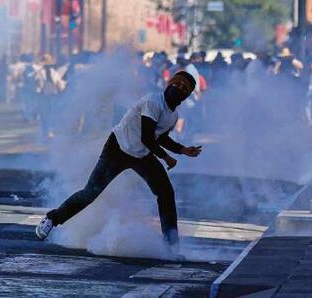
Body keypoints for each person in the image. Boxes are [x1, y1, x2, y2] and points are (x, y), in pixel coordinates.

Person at [35, 65, 203, 253]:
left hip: (141, 154)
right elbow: (146, 137)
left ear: (187, 96)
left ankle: (171, 247)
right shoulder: (153, 101)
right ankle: (52, 219)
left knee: (166, 194)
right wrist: (166, 157)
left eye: (184, 88)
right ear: (168, 84)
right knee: (90, 193)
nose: (179, 88)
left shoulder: (173, 116)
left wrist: (182, 149)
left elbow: (160, 136)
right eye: (176, 83)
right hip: (118, 148)